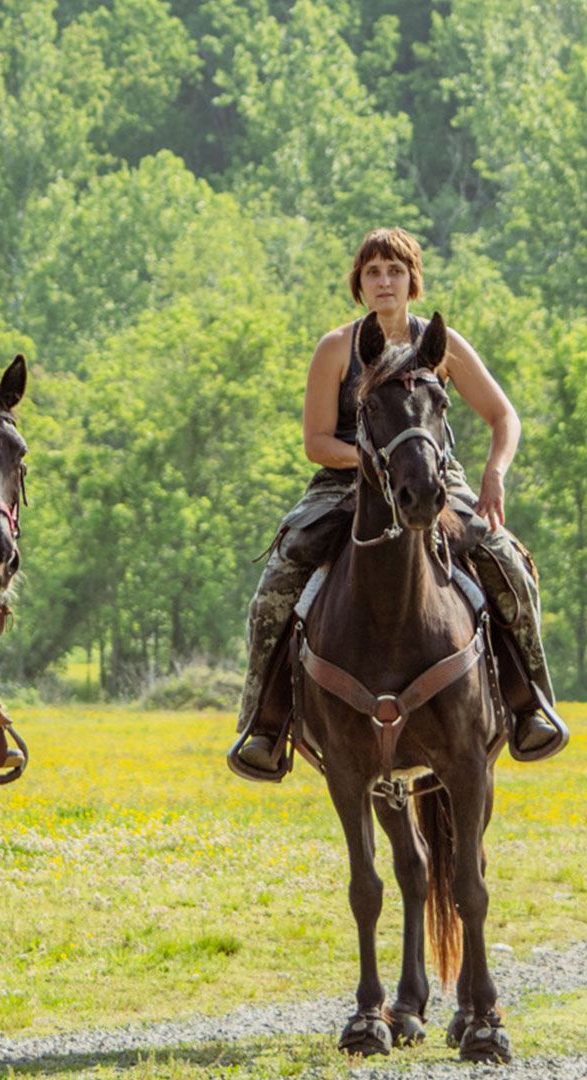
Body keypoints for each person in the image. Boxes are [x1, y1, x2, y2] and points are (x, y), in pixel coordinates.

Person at [232, 226, 565, 778]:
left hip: (434, 478)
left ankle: (529, 704)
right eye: (372, 272)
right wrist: (373, 464)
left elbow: (505, 416)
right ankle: (265, 723)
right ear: (358, 284)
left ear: (413, 280)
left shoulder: (441, 344)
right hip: (348, 482)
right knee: (277, 582)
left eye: (395, 270)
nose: (384, 281)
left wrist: (494, 474)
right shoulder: (336, 348)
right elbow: (316, 442)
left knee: (507, 565)